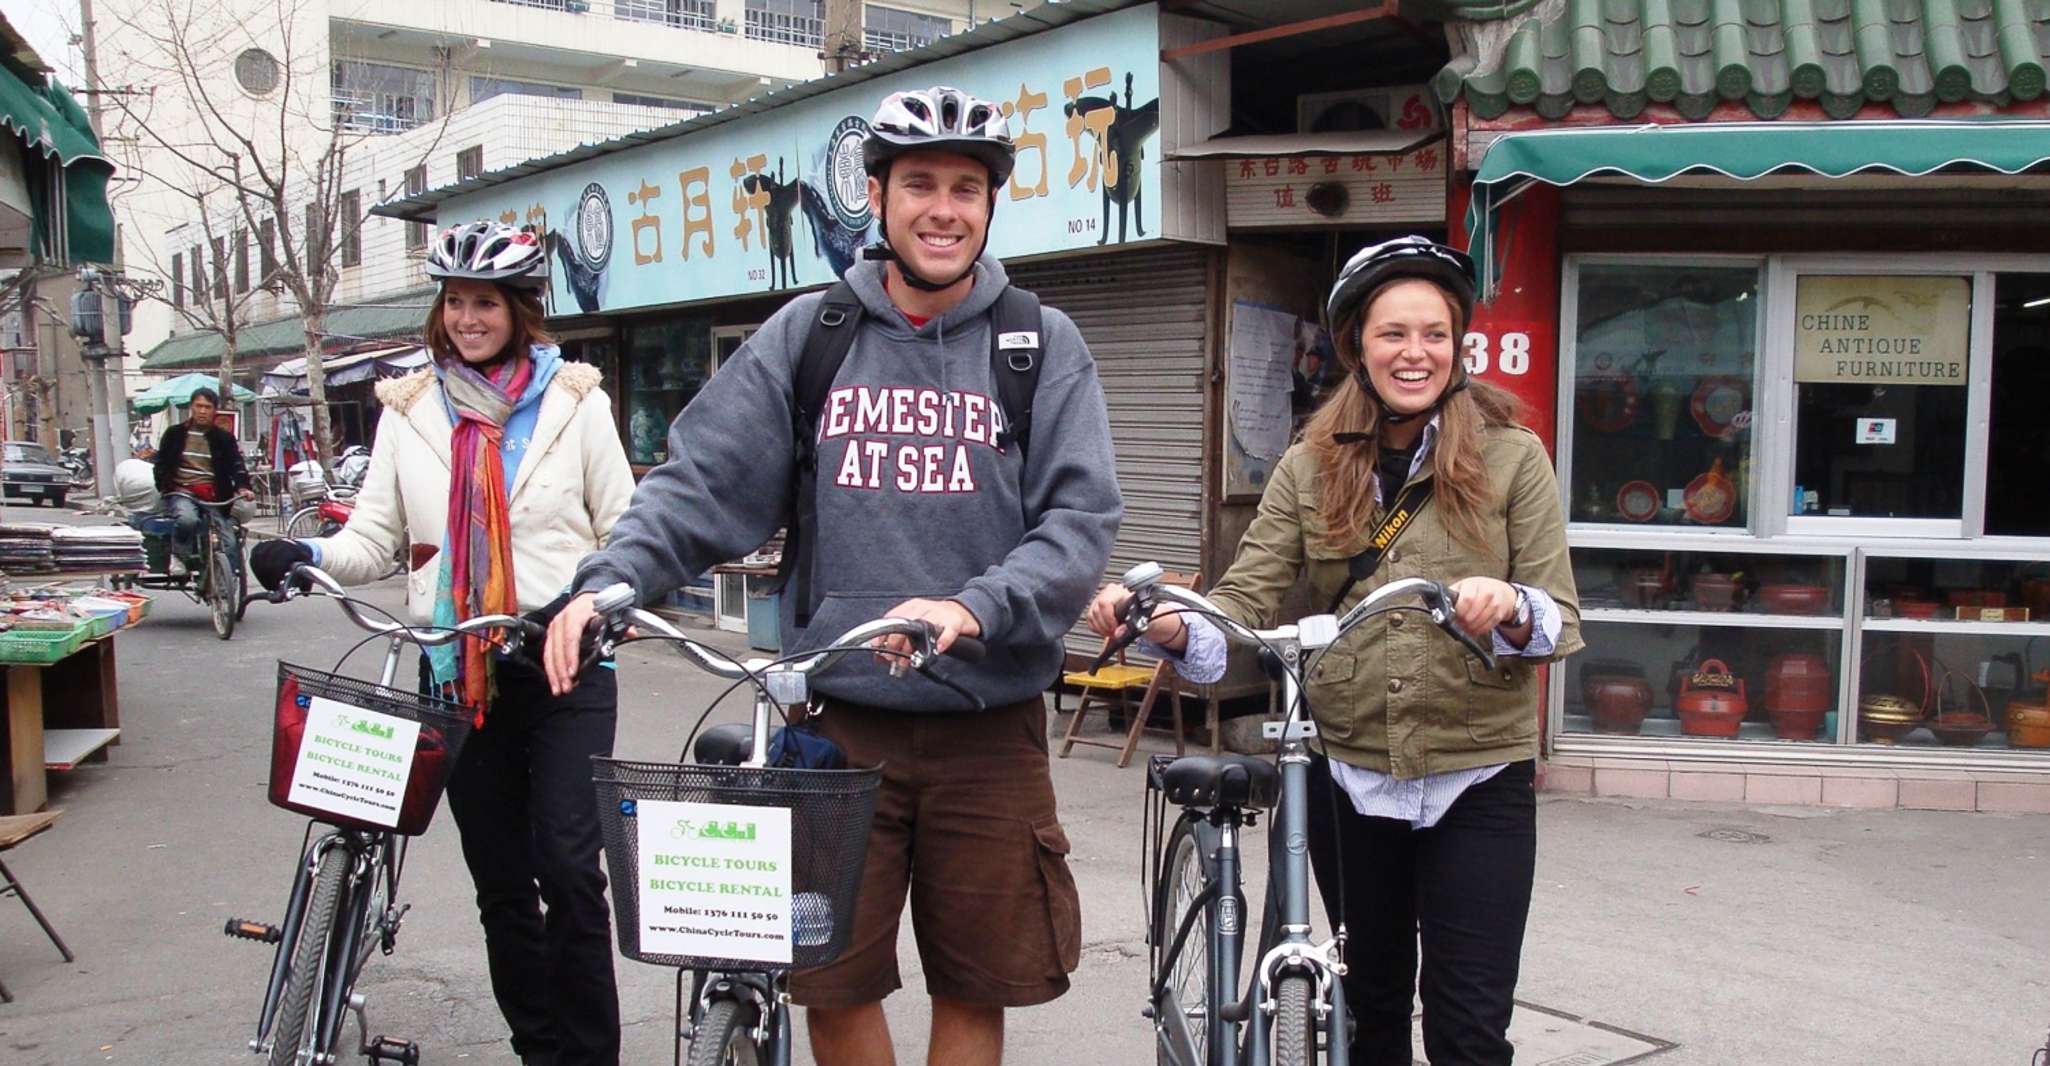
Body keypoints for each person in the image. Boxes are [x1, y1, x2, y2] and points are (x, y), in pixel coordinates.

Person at [542, 86, 1123, 1066]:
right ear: (877, 194)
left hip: (989, 728)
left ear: (990, 206)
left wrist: (972, 606)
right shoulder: (812, 335)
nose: (944, 208)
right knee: (832, 978)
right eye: (922, 184)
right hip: (835, 724)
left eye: (967, 188)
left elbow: (1077, 525)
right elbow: (702, 483)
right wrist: (613, 580)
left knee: (975, 985)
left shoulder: (1037, 344)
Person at [1086, 236, 1582, 1066]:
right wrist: (1171, 623)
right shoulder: (1311, 465)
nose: (1414, 353)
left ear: (1460, 344)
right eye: (1393, 333)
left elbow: (1558, 615)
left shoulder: (1512, 457)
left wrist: (1508, 606)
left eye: (1434, 333)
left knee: (1468, 1026)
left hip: (1480, 774)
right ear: (1357, 344)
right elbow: (1245, 601)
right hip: (1348, 770)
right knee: (1368, 1008)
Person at [249, 220, 637, 1066]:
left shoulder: (577, 401)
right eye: (456, 301)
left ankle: (590, 1056)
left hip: (563, 663)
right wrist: (307, 552)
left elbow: (624, 531)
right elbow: (377, 541)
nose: (468, 317)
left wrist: (605, 601)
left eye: (486, 302)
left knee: (571, 875)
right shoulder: (409, 408)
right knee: (501, 885)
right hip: (454, 673)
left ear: (520, 310)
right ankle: (541, 1050)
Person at [151, 386, 254, 570]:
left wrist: (243, 487)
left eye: (207, 407)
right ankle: (179, 557)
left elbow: (236, 466)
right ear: (191, 407)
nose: (203, 411)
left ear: (215, 410)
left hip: (214, 496)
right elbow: (161, 464)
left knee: (229, 542)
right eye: (199, 406)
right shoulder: (174, 434)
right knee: (187, 520)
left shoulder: (224, 438)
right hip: (182, 491)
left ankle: (226, 586)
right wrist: (165, 487)